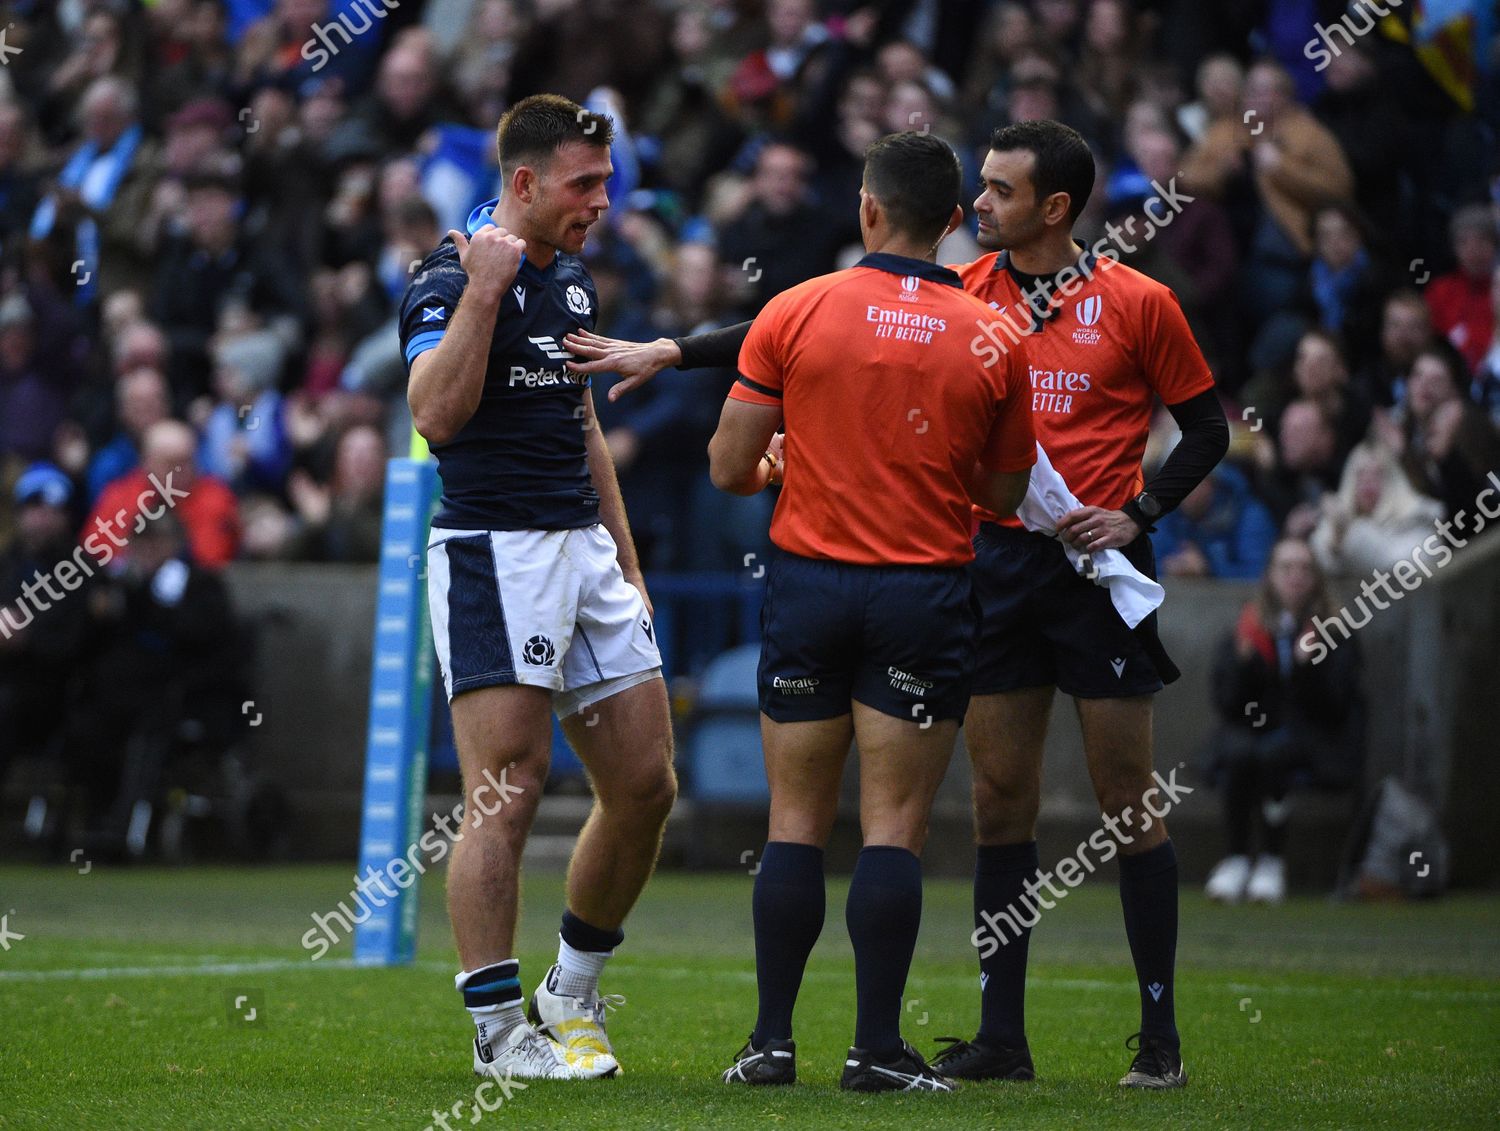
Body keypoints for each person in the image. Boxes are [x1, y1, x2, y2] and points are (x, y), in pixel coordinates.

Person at [565, 119, 1230, 1089]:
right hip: (962, 575)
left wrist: (1141, 513)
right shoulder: (979, 309)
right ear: (951, 214)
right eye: (981, 193)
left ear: (1053, 207)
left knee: (1109, 803)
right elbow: (986, 478)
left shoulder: (1134, 303)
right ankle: (947, 1040)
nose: (987, 208)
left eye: (1005, 192)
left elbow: (778, 369)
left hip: (1047, 574)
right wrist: (674, 349)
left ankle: (1147, 1038)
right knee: (960, 811)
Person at [709, 130, 1035, 1093]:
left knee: (794, 823)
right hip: (922, 591)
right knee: (893, 827)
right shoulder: (992, 335)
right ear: (953, 223)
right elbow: (1009, 493)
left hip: (808, 585)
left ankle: (771, 1042)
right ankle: (875, 1049)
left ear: (866, 211)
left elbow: (731, 467)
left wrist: (787, 463)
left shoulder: (796, 307)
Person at [400, 94, 676, 1083]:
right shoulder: (443, 275)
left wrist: (630, 564)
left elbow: (585, 424)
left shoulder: (576, 283)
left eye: (604, 181)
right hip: (494, 553)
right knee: (507, 792)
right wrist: (482, 291)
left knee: (646, 784)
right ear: (521, 183)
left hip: (583, 554)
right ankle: (497, 1035)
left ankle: (569, 988)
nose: (603, 200)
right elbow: (434, 414)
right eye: (584, 184)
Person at [1205, 538, 1364, 903]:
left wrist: (1309, 666)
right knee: (1238, 753)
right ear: (1270, 576)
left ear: (1317, 578)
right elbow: (1227, 703)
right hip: (1257, 734)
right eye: (1286, 568)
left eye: (1305, 569)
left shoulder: (1336, 631)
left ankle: (1272, 861)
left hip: (1316, 740)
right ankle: (1236, 859)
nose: (1296, 577)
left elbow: (1337, 707)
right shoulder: (1248, 629)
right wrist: (1246, 666)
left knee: (1276, 756)